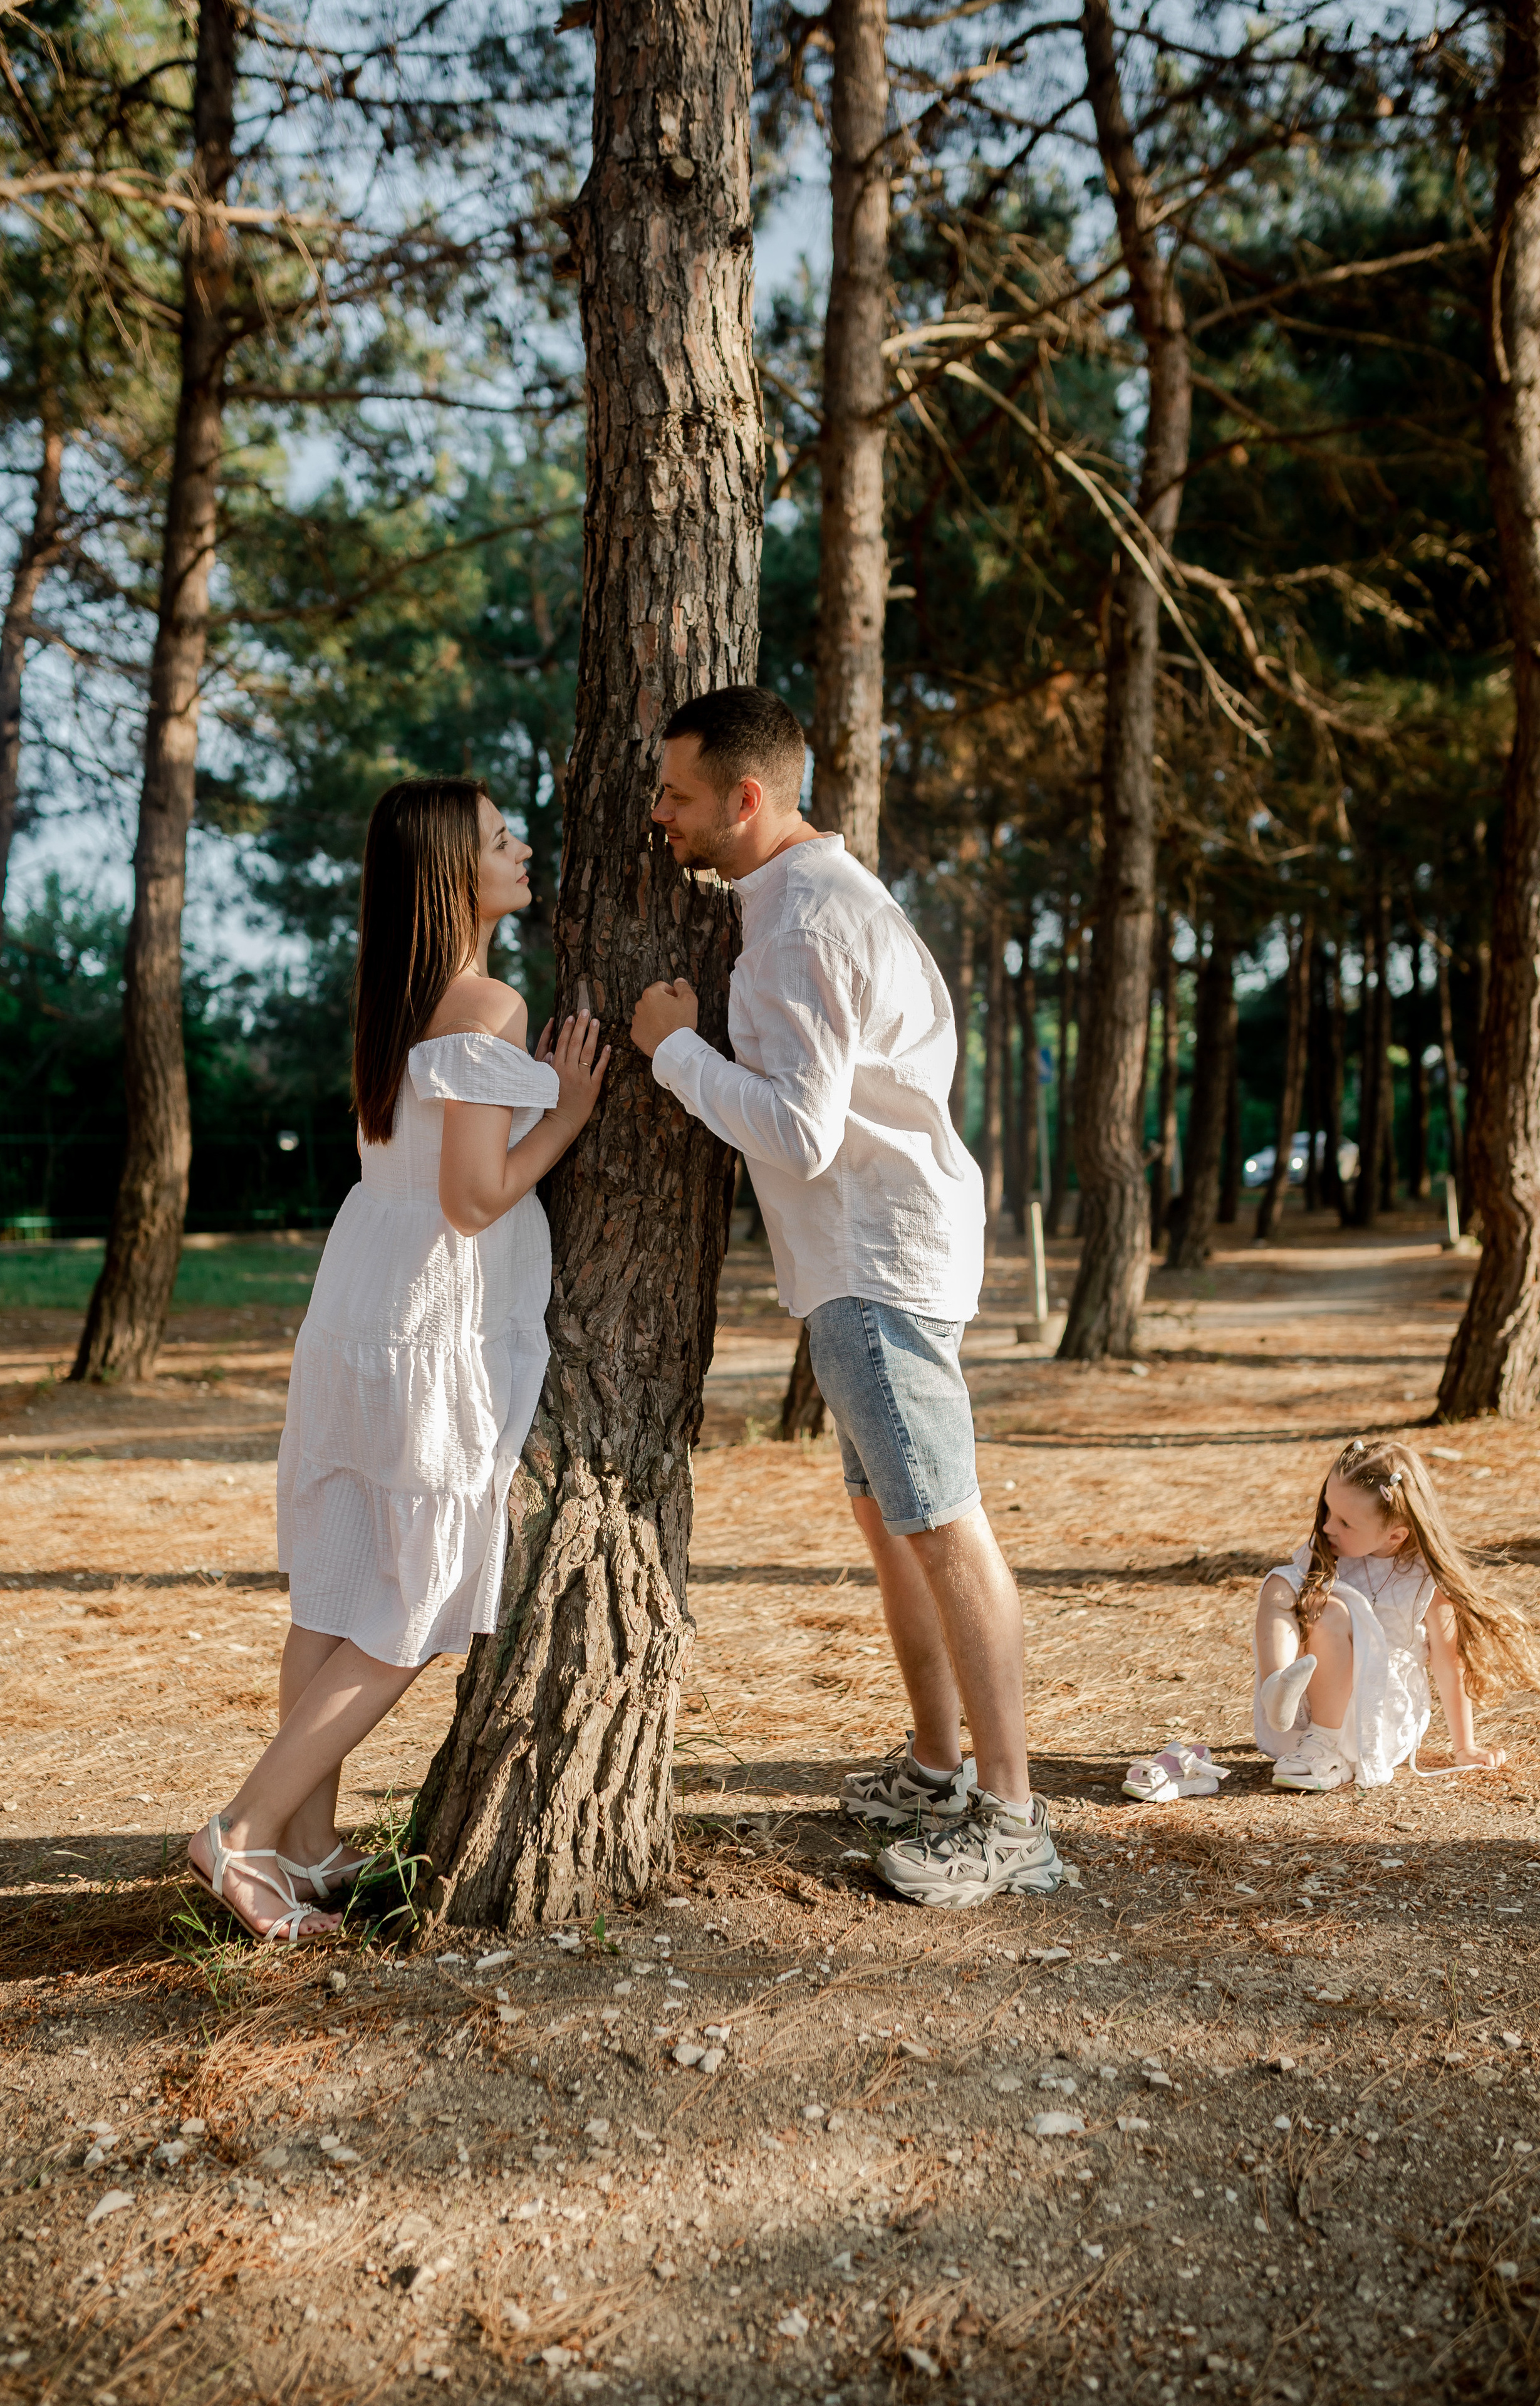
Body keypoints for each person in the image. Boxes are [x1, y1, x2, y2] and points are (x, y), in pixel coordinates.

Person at [630, 684, 1064, 1909]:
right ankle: (937, 1769)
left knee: (940, 1527)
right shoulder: (808, 902)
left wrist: (672, 1048)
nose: (656, 814)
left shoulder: (804, 924)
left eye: (675, 794)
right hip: (867, 1265)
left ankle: (1011, 1819)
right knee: (895, 1527)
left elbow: (801, 1133)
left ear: (744, 800)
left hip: (874, 1266)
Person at [189, 776, 608, 1942]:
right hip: (431, 1317)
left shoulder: (396, 999)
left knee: (334, 1582)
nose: (523, 846)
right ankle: (243, 1830)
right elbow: (475, 1198)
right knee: (421, 1600)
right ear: (450, 873)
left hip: (358, 1306)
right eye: (498, 837)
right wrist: (568, 1113)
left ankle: (310, 1844)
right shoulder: (486, 1002)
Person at [1254, 1435, 1537, 1792]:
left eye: (1345, 1522)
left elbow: (1450, 1665)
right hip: (1305, 1712)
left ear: (1394, 1536)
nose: (1327, 1526)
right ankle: (1277, 1688)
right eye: (1327, 1509)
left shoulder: (1425, 1583)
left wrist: (1464, 1746)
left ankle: (1327, 1744)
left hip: (1376, 1716)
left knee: (1332, 1611)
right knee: (1278, 1583)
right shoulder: (1329, 1552)